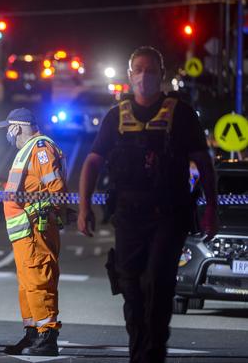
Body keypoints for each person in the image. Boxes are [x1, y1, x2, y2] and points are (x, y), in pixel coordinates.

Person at [78, 46, 218, 363]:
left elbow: (204, 164)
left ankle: (152, 353)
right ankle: (138, 351)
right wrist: (84, 207)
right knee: (131, 286)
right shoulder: (116, 116)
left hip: (169, 215)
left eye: (151, 69)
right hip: (128, 215)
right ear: (130, 76)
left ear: (162, 75)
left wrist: (211, 208)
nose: (145, 76)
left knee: (157, 281)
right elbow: (92, 162)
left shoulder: (181, 114)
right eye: (138, 69)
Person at [0, 108, 67, 357]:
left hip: (36, 229)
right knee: (28, 285)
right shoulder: (26, 151)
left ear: (16, 128)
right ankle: (33, 334)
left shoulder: (40, 149)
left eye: (8, 128)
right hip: (25, 232)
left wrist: (45, 211)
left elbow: (56, 189)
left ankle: (47, 336)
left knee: (40, 281)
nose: (7, 133)